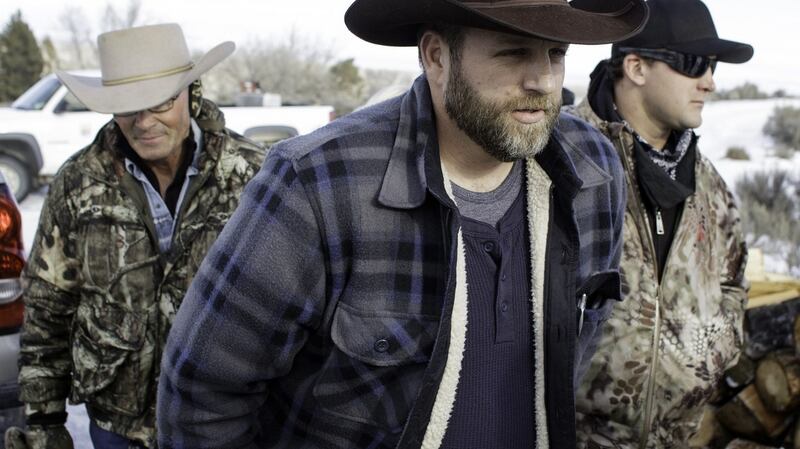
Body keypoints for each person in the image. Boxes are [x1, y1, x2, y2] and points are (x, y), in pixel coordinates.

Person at [157, 0, 648, 447]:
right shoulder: (318, 183)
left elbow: (580, 344)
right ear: (436, 57)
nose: (543, 80)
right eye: (513, 52)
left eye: (556, 53)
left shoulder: (592, 171)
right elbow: (203, 396)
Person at [5, 23, 265, 449]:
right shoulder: (77, 182)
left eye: (160, 102)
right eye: (127, 107)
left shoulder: (254, 176)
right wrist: (45, 420)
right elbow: (47, 309)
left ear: (191, 93)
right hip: (117, 427)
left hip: (226, 420)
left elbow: (293, 307)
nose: (143, 122)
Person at [571, 0, 751, 447]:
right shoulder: (563, 159)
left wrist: (713, 353)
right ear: (636, 67)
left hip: (677, 439)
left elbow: (733, 283)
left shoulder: (708, 182)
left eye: (712, 66)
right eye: (694, 63)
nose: (709, 82)